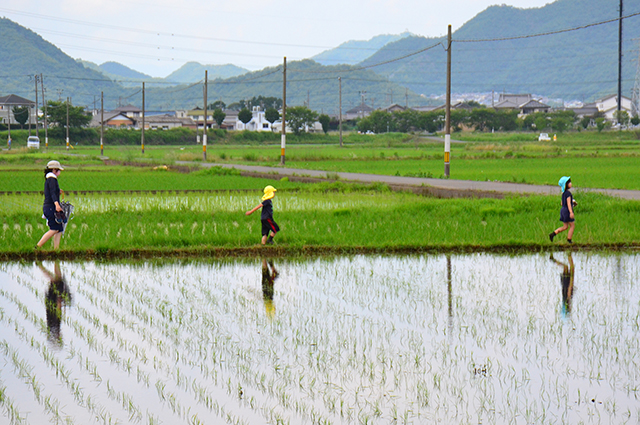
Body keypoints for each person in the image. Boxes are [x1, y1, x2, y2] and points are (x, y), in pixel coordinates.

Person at [36, 160, 65, 249]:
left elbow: (51, 192)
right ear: (54, 170)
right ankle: (37, 247)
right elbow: (52, 193)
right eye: (58, 170)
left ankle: (56, 250)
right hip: (51, 207)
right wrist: (57, 205)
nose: (59, 172)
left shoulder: (50, 179)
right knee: (54, 229)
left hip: (50, 207)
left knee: (59, 229)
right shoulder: (52, 179)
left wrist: (58, 192)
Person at [549, 176, 577, 244]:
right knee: (572, 225)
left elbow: (562, 203)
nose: (571, 183)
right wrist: (571, 212)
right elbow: (568, 204)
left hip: (563, 210)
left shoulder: (563, 193)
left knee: (565, 227)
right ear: (566, 184)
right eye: (569, 182)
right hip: (567, 211)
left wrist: (571, 203)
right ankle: (569, 240)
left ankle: (553, 234)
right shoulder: (568, 193)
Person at [549, 253, 575, 317]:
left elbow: (569, 289)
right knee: (566, 267)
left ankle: (569, 254)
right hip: (564, 282)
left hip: (567, 282)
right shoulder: (565, 299)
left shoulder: (568, 299)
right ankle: (554, 260)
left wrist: (572, 279)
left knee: (571, 267)